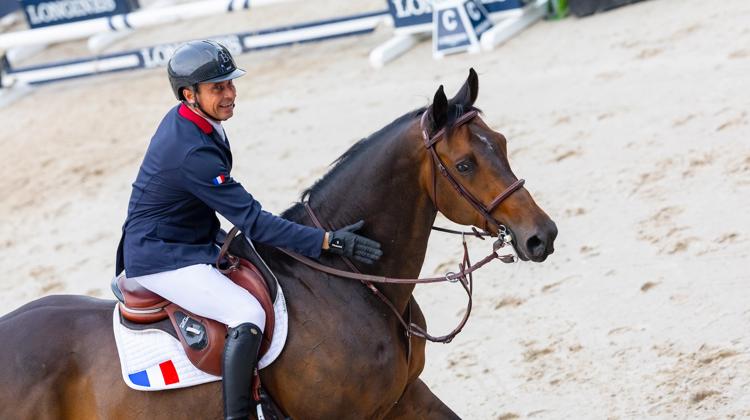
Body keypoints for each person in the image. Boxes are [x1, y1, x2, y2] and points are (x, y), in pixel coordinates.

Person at [115, 40, 382, 420]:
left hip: (193, 238)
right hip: (163, 257)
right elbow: (253, 221)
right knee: (247, 312)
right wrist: (326, 239)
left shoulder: (197, 121)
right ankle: (240, 415)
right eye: (218, 88)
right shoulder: (192, 151)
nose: (230, 94)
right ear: (189, 94)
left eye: (230, 84)